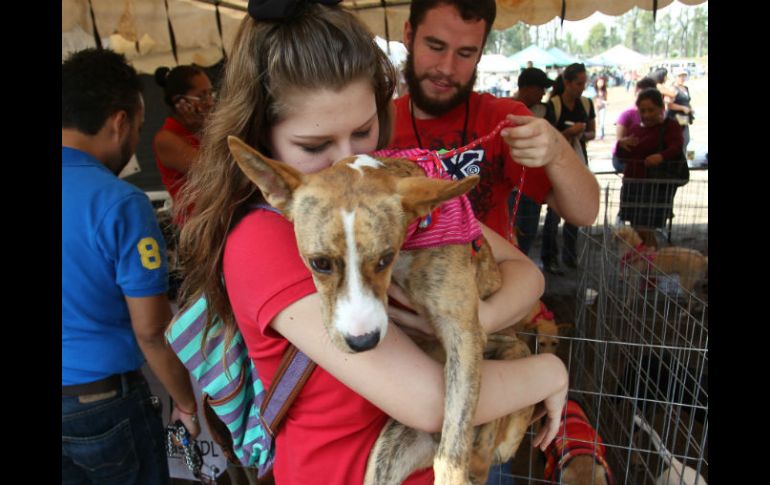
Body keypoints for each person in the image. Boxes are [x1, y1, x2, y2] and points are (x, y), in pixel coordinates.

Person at [176, 2, 568, 484]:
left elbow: (526, 272)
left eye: (363, 132)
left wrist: (472, 319)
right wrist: (548, 373)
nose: (348, 164)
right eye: (315, 147)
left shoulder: (387, 187)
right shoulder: (266, 238)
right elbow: (430, 404)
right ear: (264, 140)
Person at [62, 48, 200, 484]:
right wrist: (186, 403)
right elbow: (151, 331)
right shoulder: (120, 202)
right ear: (119, 121)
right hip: (102, 401)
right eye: (139, 126)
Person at [389, 0, 599, 247]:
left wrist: (557, 150)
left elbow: (585, 212)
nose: (447, 68)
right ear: (409, 35)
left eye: (465, 53)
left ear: (480, 53)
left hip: (491, 280)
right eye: (435, 46)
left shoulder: (504, 120)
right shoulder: (374, 125)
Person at [541, 63, 596, 274]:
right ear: (567, 83)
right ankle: (549, 257)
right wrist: (568, 133)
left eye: (584, 83)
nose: (582, 87)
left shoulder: (586, 103)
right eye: (578, 83)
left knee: (575, 211)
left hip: (578, 163)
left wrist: (582, 134)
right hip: (556, 166)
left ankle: (570, 256)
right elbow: (548, 137)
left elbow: (592, 133)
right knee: (554, 212)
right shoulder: (552, 105)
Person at [616, 88, 684, 233]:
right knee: (637, 229)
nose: (646, 115)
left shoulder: (670, 126)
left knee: (646, 231)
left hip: (654, 188)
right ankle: (645, 255)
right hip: (633, 186)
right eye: (642, 111)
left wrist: (661, 156)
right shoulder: (634, 128)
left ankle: (649, 256)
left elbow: (676, 147)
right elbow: (622, 156)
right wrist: (621, 145)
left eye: (651, 110)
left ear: (661, 108)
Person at [153, 65, 215, 213]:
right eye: (201, 96)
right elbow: (214, 171)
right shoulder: (166, 139)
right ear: (180, 103)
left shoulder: (201, 132)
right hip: (198, 228)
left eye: (210, 94)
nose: (210, 102)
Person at [510, 67, 553, 255]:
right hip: (511, 186)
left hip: (532, 185)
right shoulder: (506, 110)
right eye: (540, 88)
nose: (544, 93)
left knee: (528, 233)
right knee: (510, 233)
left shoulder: (544, 111)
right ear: (527, 88)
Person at [612, 77, 657, 174]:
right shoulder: (627, 114)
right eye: (638, 94)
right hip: (627, 158)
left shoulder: (660, 116)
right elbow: (619, 141)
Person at [665, 68, 694, 153]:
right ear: (675, 77)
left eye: (684, 76)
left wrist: (690, 108)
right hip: (675, 117)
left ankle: (683, 159)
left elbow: (687, 101)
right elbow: (669, 104)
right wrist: (683, 108)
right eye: (680, 76)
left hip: (684, 117)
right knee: (679, 140)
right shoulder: (672, 88)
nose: (682, 78)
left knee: (686, 139)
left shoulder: (686, 88)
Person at [593, 75, 608, 140]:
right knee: (597, 120)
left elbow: (605, 99)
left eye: (602, 82)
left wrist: (604, 102)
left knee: (602, 121)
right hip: (595, 107)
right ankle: (597, 133)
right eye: (599, 82)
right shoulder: (593, 90)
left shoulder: (604, 91)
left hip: (602, 107)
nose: (601, 84)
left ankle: (601, 134)